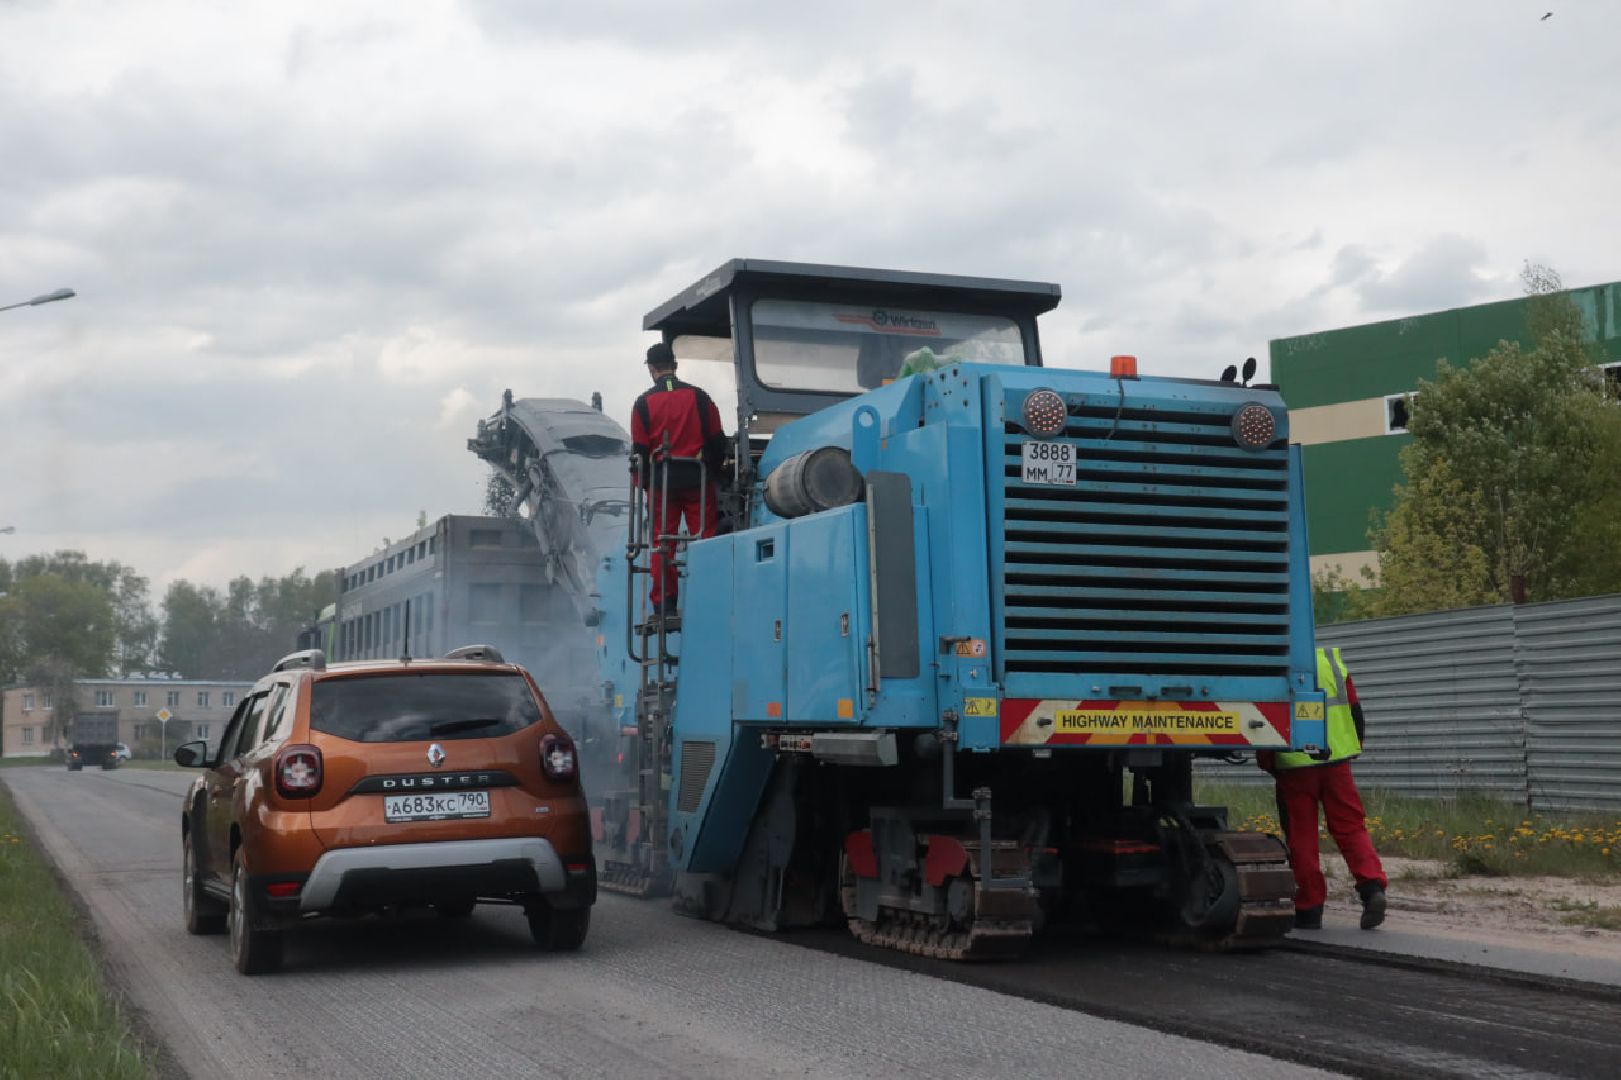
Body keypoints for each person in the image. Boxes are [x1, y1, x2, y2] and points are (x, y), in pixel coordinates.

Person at [1258, 646, 1388, 931]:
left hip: (1294, 765)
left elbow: (1264, 714)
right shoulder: (1330, 659)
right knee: (1351, 827)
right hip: (1337, 760)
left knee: (1301, 835)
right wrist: (1353, 748)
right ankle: (1372, 887)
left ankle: (1309, 908)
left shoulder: (1274, 660)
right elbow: (1355, 710)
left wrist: (1268, 760)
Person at [630, 342, 726, 623]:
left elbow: (640, 451)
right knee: (704, 539)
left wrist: (643, 484)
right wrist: (712, 469)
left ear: (651, 369)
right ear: (675, 364)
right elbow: (717, 440)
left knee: (662, 543)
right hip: (698, 479)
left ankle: (665, 605)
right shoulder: (700, 397)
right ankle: (706, 598)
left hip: (662, 484)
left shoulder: (643, 404)